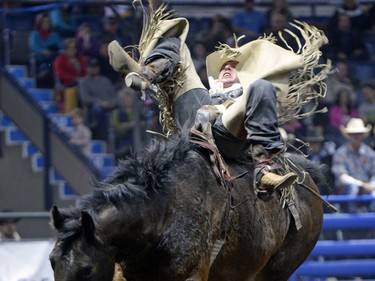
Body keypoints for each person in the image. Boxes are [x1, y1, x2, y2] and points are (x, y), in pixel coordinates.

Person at [107, 3, 330, 195]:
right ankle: (146, 74)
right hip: (195, 118)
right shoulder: (206, 90)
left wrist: (221, 108)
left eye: (234, 66)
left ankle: (264, 169)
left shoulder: (248, 92)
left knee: (261, 88)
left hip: (227, 129)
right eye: (225, 66)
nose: (227, 68)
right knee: (178, 44)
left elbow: (255, 98)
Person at [331, 118, 375, 212]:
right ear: (348, 136)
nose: (357, 136)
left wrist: (371, 185)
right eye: (353, 134)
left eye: (359, 134)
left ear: (363, 135)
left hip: (368, 191)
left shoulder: (370, 153)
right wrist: (361, 185)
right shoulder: (341, 153)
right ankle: (353, 218)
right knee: (353, 188)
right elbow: (342, 177)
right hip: (348, 193)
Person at [79, 58, 117, 141]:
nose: (94, 69)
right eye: (92, 67)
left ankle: (108, 137)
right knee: (97, 108)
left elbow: (114, 96)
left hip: (108, 107)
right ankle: (101, 136)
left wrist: (110, 103)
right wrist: (99, 102)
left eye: (96, 67)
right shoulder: (84, 82)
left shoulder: (106, 81)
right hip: (92, 109)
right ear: (87, 68)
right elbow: (85, 98)